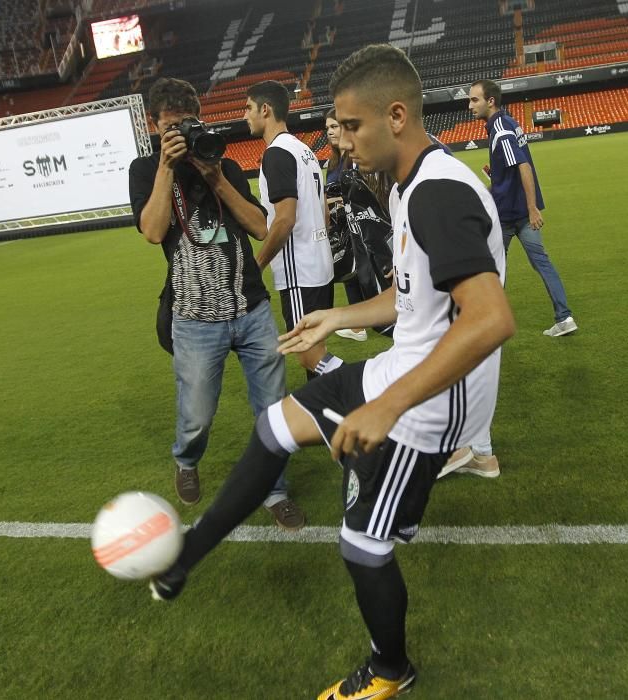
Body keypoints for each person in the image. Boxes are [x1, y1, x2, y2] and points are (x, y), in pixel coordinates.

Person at [148, 45, 515, 700]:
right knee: (274, 427)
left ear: (396, 115)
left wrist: (388, 407)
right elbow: (412, 298)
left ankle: (389, 668)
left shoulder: (436, 194)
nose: (339, 143)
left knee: (362, 545)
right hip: (403, 369)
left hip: (429, 406)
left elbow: (488, 320)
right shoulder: (411, 182)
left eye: (350, 126)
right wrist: (338, 317)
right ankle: (188, 556)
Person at [128, 77, 305, 530]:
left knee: (272, 407)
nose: (182, 135)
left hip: (251, 308)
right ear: (155, 128)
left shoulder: (221, 163)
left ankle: (277, 490)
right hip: (193, 318)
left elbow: (261, 227)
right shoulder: (144, 170)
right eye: (171, 129)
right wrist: (168, 167)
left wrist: (215, 177)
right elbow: (152, 231)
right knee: (197, 413)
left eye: (188, 125)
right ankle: (187, 459)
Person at [245, 80, 344, 380]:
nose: (244, 116)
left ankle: (365, 384)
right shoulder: (304, 150)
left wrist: (257, 265)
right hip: (319, 264)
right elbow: (323, 212)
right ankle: (328, 417)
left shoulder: (276, 154)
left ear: (265, 109)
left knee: (307, 355)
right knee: (314, 350)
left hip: (300, 270)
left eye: (248, 108)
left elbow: (285, 219)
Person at [468, 78, 578, 337]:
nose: (470, 105)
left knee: (492, 265)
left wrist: (532, 208)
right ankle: (565, 318)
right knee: (541, 263)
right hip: (516, 210)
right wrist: (493, 182)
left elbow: (523, 166)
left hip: (510, 215)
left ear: (490, 101)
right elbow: (512, 169)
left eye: (475, 100)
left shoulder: (501, 130)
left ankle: (488, 322)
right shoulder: (508, 123)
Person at [326, 108, 369, 342]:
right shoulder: (334, 161)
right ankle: (358, 325)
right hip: (342, 227)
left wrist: (332, 200)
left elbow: (360, 192)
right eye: (327, 128)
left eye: (334, 126)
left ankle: (376, 321)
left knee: (364, 273)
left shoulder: (355, 157)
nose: (330, 132)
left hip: (359, 224)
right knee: (349, 273)